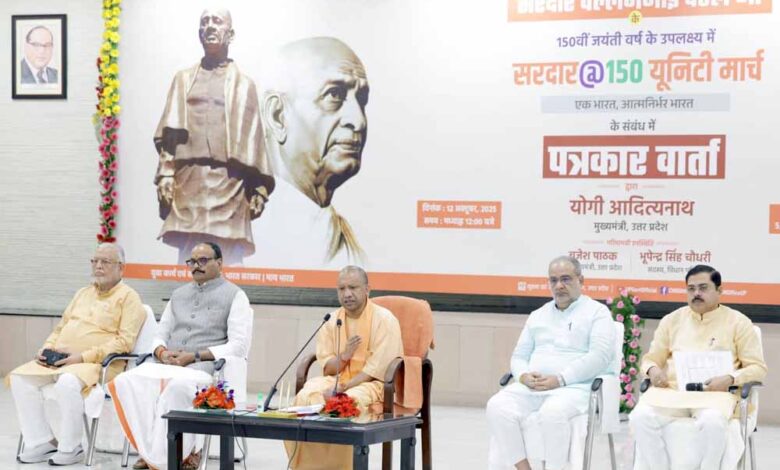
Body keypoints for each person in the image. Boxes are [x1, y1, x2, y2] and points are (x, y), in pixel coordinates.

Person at [108, 242, 253, 470]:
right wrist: (162, 352)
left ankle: (187, 452)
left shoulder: (235, 295)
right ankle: (151, 451)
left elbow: (238, 346)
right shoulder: (178, 295)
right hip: (170, 364)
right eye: (192, 261)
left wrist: (194, 356)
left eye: (203, 260)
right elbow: (160, 334)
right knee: (129, 381)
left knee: (177, 388)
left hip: (205, 368)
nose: (196, 266)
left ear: (219, 263)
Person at [154, 8, 274, 266]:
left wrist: (259, 189)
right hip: (189, 182)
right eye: (204, 22)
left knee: (228, 260)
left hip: (230, 183)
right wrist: (165, 173)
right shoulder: (183, 79)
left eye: (217, 21)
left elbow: (254, 141)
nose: (209, 26)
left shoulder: (245, 86)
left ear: (230, 33)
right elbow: (169, 134)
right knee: (190, 262)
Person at [8, 243, 145, 466]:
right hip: (61, 361)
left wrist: (82, 356)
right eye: (95, 261)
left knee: (67, 382)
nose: (98, 266)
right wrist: (47, 348)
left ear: (121, 267)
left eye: (105, 262)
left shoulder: (130, 298)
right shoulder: (83, 293)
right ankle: (42, 442)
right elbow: (61, 327)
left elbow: (124, 342)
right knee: (19, 378)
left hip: (98, 365)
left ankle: (71, 448)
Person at [630, 265, 767, 470]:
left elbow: (757, 368)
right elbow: (650, 359)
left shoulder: (738, 322)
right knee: (640, 417)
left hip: (716, 395)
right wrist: (653, 371)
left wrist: (731, 378)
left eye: (703, 288)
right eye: (691, 289)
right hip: (674, 393)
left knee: (713, 422)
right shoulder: (672, 320)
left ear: (719, 291)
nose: (696, 294)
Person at [486, 255, 615, 470]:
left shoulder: (597, 313)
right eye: (553, 280)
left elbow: (600, 356)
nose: (559, 286)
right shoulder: (538, 315)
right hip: (532, 387)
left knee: (552, 413)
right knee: (497, 406)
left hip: (573, 388)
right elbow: (519, 356)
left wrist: (560, 379)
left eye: (566, 279)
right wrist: (523, 376)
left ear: (581, 280)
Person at [257, 37, 369, 266]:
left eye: (361, 100)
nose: (358, 121)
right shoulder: (243, 233)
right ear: (277, 116)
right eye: (334, 95)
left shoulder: (349, 245)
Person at [284, 266, 403, 469]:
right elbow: (329, 368)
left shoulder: (384, 319)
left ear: (367, 289)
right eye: (342, 288)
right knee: (305, 396)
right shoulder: (332, 320)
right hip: (337, 379)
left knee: (345, 403)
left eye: (353, 288)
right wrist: (345, 356)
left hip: (372, 384)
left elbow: (376, 369)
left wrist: (343, 387)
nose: (347, 294)